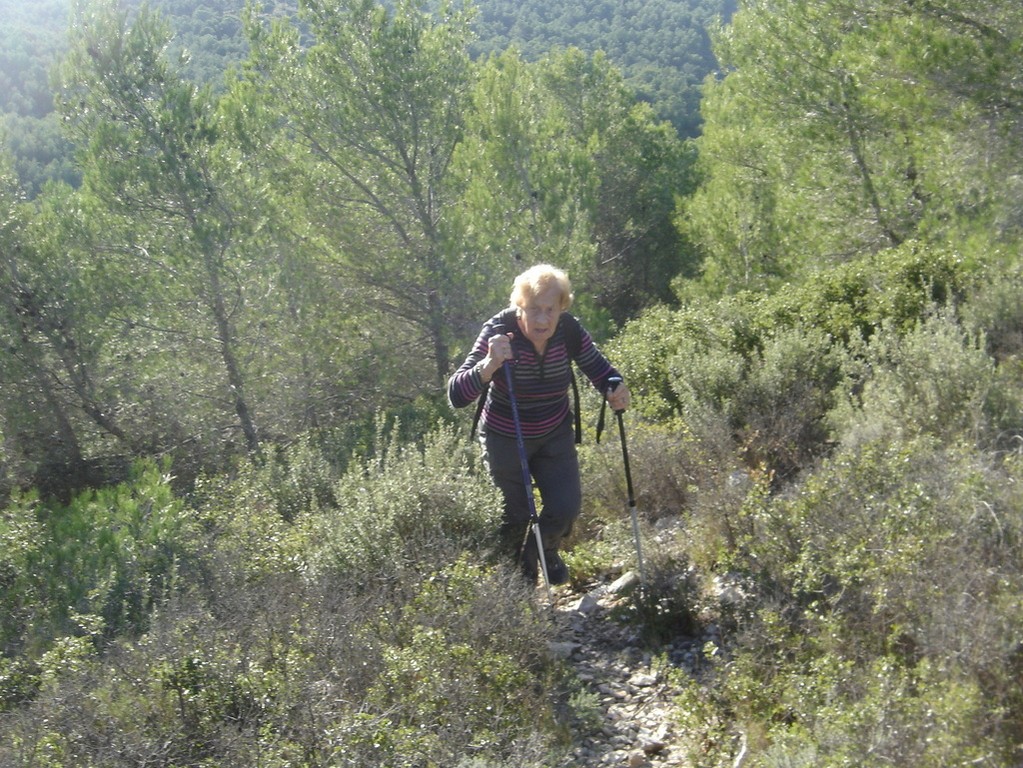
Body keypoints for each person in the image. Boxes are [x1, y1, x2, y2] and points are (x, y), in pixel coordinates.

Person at [448, 264, 631, 585]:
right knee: (513, 519)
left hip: (554, 432)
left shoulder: (569, 330)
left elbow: (600, 369)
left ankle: (542, 551)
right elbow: (457, 394)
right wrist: (489, 365)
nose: (543, 319)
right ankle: (519, 589)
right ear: (519, 307)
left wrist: (615, 387)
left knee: (565, 508)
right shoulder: (497, 331)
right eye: (534, 309)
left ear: (562, 307)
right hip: (505, 435)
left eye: (550, 310)